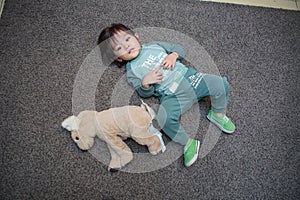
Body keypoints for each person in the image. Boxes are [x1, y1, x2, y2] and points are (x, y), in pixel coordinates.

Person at [97, 23, 235, 167]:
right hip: (172, 95)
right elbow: (144, 94)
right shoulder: (131, 71)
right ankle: (188, 143)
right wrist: (145, 83)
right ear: (118, 58)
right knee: (164, 119)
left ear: (136, 36)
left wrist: (173, 56)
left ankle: (217, 114)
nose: (126, 46)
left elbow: (179, 49)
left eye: (127, 39)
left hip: (190, 78)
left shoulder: (154, 46)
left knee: (221, 84)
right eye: (119, 48)